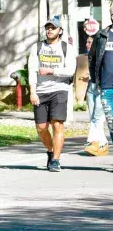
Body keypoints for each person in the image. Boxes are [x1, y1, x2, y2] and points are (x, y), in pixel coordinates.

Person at [28, 18, 76, 172]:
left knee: (57, 124)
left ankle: (55, 159)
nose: (50, 30)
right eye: (48, 28)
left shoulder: (67, 48)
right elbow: (31, 71)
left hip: (59, 89)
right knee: (41, 128)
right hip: (41, 91)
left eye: (53, 28)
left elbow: (70, 71)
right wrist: (33, 92)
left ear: (59, 31)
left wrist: (51, 71)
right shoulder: (37, 47)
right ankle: (50, 150)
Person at [89, 5, 113, 147]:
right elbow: (92, 59)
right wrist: (95, 80)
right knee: (111, 124)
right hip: (107, 87)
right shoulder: (101, 35)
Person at [84, 35, 109, 156]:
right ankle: (102, 144)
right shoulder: (89, 56)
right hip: (92, 86)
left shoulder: (105, 51)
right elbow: (92, 63)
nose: (87, 45)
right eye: (87, 42)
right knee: (93, 116)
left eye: (90, 42)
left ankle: (93, 142)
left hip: (102, 85)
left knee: (97, 117)